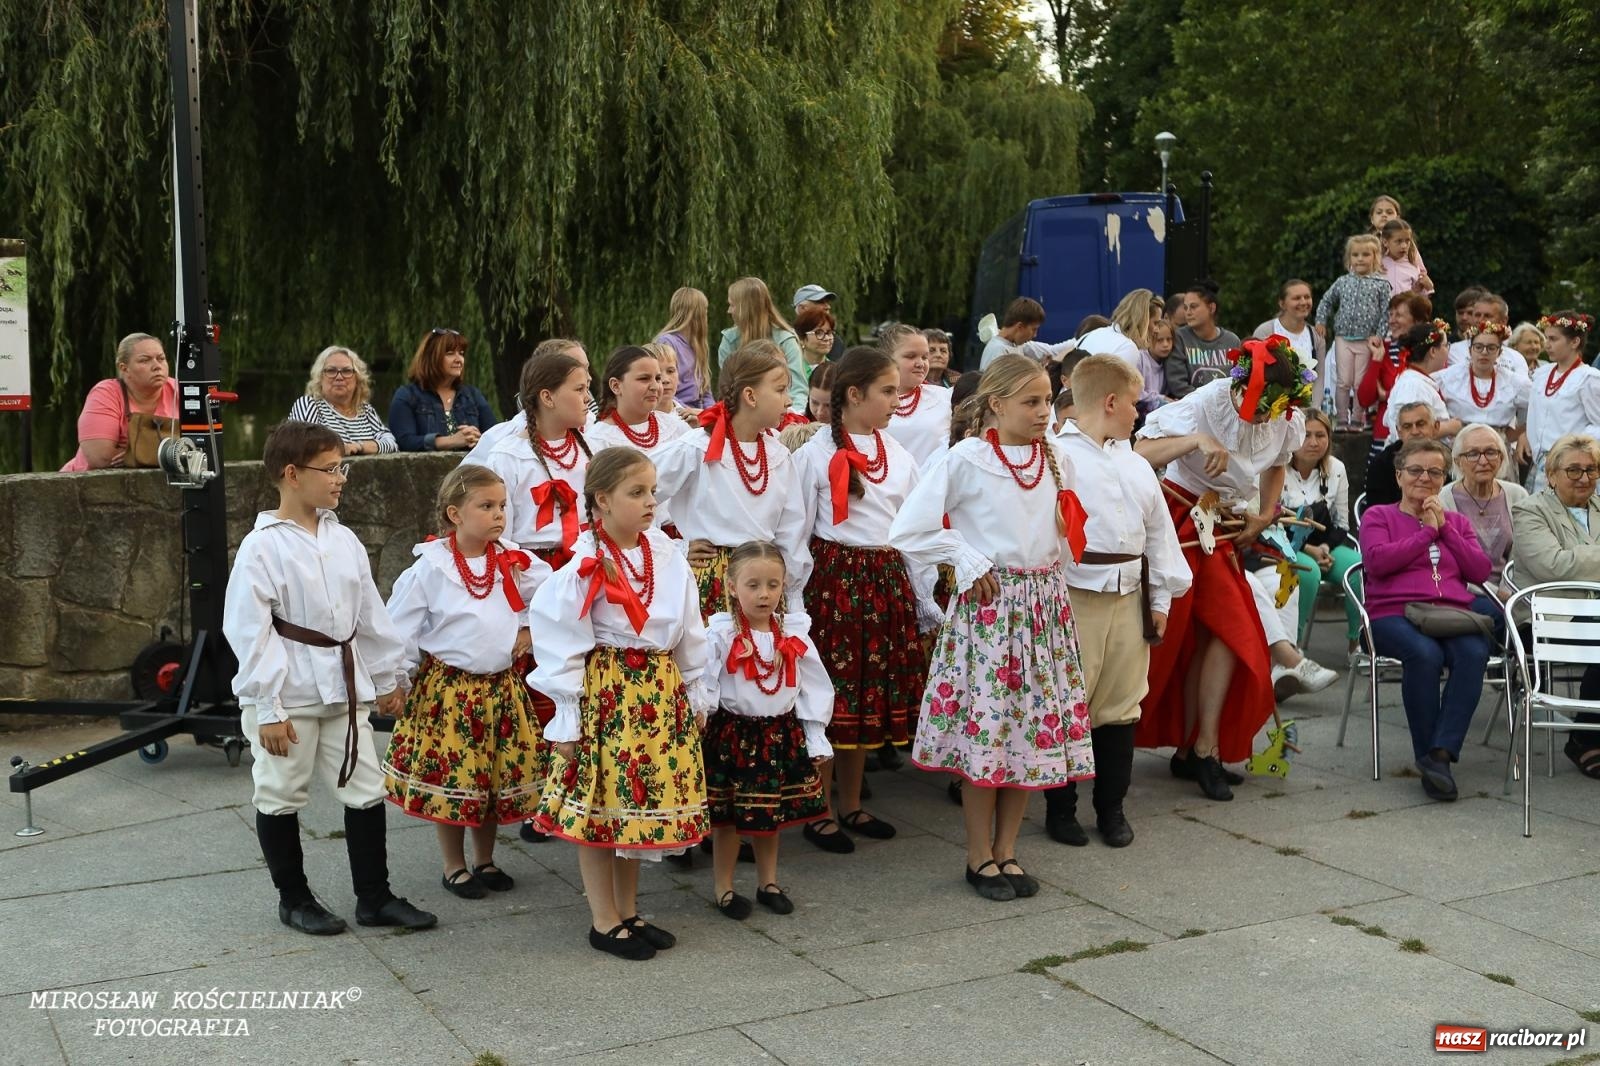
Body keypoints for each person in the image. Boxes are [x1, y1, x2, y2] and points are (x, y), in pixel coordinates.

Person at [891, 354, 1094, 902]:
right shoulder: (967, 458)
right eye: (1031, 402)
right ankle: (978, 855)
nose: (1043, 411)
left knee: (1028, 732)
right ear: (996, 403)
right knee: (990, 732)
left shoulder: (1057, 460)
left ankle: (1008, 850)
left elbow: (1062, 532)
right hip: (991, 612)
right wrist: (965, 556)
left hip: (1041, 610)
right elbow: (908, 528)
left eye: (1048, 400)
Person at [221, 420, 436, 936]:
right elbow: (248, 630)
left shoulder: (344, 540)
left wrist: (388, 676)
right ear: (292, 474)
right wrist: (267, 707)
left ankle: (375, 897)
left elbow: (370, 614)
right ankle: (293, 899)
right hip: (289, 691)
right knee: (280, 792)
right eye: (331, 469)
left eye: (344, 467)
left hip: (344, 685)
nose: (341, 479)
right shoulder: (262, 547)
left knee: (366, 788)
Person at [527, 447, 712, 960]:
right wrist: (568, 714)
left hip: (660, 687)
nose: (651, 501)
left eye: (652, 491)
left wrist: (695, 686)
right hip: (610, 691)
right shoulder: (586, 563)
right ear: (602, 500)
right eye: (637, 493)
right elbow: (561, 636)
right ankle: (602, 918)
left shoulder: (667, 555)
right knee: (603, 804)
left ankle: (628, 909)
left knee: (639, 802)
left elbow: (689, 626)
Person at [1133, 334, 1309, 801]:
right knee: (1201, 634)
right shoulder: (1207, 402)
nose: (1262, 418)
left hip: (1225, 525)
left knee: (1222, 635)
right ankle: (1194, 749)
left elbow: (1278, 467)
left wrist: (1266, 513)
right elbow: (1139, 452)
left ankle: (1200, 748)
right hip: (1181, 519)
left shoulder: (1288, 416)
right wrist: (1195, 439)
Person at [791, 347, 940, 852]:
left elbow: (914, 530)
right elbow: (794, 533)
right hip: (833, 584)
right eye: (887, 391)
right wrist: (794, 600)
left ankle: (851, 803)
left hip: (884, 583)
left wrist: (923, 600)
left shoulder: (898, 456)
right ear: (853, 395)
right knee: (825, 699)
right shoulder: (812, 455)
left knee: (861, 699)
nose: (896, 400)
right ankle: (818, 806)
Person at [382, 464, 551, 898]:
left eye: (502, 506)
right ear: (455, 514)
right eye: (486, 506)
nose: (499, 515)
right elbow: (401, 627)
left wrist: (529, 628)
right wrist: (397, 678)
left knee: (492, 778)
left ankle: (485, 859)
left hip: (501, 688)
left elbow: (552, 596)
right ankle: (453, 865)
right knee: (456, 782)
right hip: (450, 692)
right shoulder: (431, 569)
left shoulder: (513, 559)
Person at [1045, 356, 1191, 848]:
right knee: (1069, 702)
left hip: (1129, 594)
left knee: (1122, 706)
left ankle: (1111, 808)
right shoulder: (1056, 457)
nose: (1138, 412)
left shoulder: (1134, 464)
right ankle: (1060, 809)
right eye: (1134, 402)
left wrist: (1161, 600)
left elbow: (1158, 534)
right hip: (1074, 592)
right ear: (1110, 402)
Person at [1359, 437, 1497, 801]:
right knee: (1425, 654)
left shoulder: (1455, 522)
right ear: (1399, 475)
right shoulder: (1380, 516)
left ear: (1443, 478)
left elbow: (1480, 570)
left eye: (1435, 472)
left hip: (1449, 614)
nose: (1425, 478)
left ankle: (1438, 756)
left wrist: (1445, 530)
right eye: (1416, 470)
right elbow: (1377, 563)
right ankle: (1431, 756)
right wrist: (1426, 534)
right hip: (1392, 612)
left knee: (1473, 652)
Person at [703, 542, 834, 917]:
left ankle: (768, 882)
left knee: (770, 815)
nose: (764, 594)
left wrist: (814, 732)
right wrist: (702, 714)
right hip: (734, 736)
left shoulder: (791, 633)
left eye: (773, 585)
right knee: (729, 820)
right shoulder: (722, 634)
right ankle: (724, 888)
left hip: (779, 734)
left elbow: (814, 684)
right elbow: (706, 680)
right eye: (753, 585)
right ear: (732, 587)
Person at [653, 342, 809, 619]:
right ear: (750, 395)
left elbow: (791, 533)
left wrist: (792, 600)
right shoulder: (696, 448)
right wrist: (672, 548)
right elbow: (632, 497)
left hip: (764, 584)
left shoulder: (779, 456)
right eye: (780, 389)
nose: (789, 401)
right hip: (711, 580)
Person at [1510, 433, 1600, 779]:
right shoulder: (1531, 510)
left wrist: (1579, 560)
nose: (1585, 478)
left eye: (1591, 470)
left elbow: (1570, 560)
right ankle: (1584, 737)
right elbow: (1555, 566)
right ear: (1551, 474)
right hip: (1547, 621)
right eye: (1574, 470)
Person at [482, 348, 594, 573]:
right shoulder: (508, 457)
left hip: (588, 564)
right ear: (547, 397)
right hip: (531, 572)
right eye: (579, 389)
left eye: (587, 389)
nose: (588, 398)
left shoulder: (594, 447)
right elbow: (499, 533)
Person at [588, 345, 694, 533]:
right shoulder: (597, 440)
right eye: (644, 379)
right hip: (628, 539)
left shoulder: (677, 428)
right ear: (616, 385)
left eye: (658, 378)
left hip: (683, 535)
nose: (655, 386)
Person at [1282, 408, 1362, 654]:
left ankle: (1357, 641)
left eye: (1321, 435)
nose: (1314, 442)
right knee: (1308, 572)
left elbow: (1342, 524)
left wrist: (1325, 548)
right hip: (1284, 545)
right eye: (1306, 435)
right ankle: (1291, 645)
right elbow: (1270, 523)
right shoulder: (1276, 467)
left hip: (1325, 543)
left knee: (1358, 567)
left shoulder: (1336, 468)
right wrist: (1309, 550)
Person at [61, 332, 179, 471]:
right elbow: (100, 457)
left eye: (161, 358)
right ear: (124, 368)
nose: (157, 366)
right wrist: (168, 456)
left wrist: (135, 455)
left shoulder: (181, 390)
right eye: (144, 360)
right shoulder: (106, 393)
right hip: (85, 485)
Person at [463, 338, 586, 464]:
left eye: (586, 368)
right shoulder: (503, 443)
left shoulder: (592, 430)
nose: (588, 377)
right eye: (573, 366)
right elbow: (464, 480)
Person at [1438, 424, 1527, 593]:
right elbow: (1447, 562)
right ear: (1458, 461)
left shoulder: (1518, 496)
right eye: (1472, 454)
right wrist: (1493, 593)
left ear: (1501, 458)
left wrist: (1506, 590)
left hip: (1512, 591)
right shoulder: (1443, 500)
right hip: (1463, 591)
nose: (1483, 461)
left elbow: (1522, 555)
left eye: (1491, 452)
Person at [1313, 238, 1389, 428]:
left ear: (1375, 257)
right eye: (1355, 255)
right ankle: (1340, 419)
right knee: (1343, 381)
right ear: (1349, 258)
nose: (1360, 259)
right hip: (1343, 338)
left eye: (1365, 255)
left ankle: (1357, 418)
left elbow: (1387, 312)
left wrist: (1379, 334)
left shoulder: (1381, 284)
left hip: (1366, 340)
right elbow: (1326, 301)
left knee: (1359, 382)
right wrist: (1321, 320)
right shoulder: (1343, 281)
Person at [1520, 312, 1600, 493]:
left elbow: (1598, 424)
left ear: (1574, 342)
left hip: (1573, 466)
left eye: (1553, 339)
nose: (1546, 344)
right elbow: (1535, 417)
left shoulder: (1588, 378)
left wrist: (1571, 444)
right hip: (1543, 464)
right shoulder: (1542, 374)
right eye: (1546, 338)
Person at [1436, 321, 1530, 468]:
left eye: (1491, 348)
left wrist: (1515, 434)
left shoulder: (1514, 382)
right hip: (1461, 446)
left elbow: (1536, 408)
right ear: (1470, 350)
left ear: (1500, 352)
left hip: (1497, 448)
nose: (1484, 352)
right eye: (1479, 347)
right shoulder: (1449, 378)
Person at [388, 328, 495, 452]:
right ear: (431, 357)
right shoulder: (407, 395)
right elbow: (403, 440)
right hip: (425, 469)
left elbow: (495, 435)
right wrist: (450, 441)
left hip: (469, 469)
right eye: (450, 353)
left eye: (461, 353)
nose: (458, 359)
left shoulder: (472, 395)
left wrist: (477, 439)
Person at [1357, 293, 1434, 458]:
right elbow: (1365, 398)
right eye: (1390, 314)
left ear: (1418, 321)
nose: (1392, 320)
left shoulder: (1430, 353)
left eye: (1398, 315)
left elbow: (1427, 393)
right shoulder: (1381, 349)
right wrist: (1377, 359)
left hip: (1421, 438)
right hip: (1385, 436)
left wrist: (1387, 394)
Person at [288, 346, 397, 456]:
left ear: (357, 379)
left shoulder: (365, 410)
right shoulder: (309, 404)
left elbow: (391, 443)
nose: (339, 377)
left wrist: (360, 446)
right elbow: (299, 444)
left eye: (346, 371)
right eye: (331, 371)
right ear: (320, 378)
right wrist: (340, 448)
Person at [719, 277, 808, 412]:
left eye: (732, 305)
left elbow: (798, 389)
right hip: (742, 415)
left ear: (746, 308)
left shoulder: (785, 341)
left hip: (783, 415)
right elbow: (728, 388)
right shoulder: (729, 340)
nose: (729, 311)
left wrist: (793, 421)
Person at [881, 325, 955, 468]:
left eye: (924, 357)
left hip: (932, 487)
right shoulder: (870, 401)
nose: (920, 363)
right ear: (887, 358)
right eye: (911, 356)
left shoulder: (945, 398)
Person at [1382, 321, 1459, 440]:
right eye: (1445, 345)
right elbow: (1412, 433)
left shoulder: (1416, 381)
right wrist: (1450, 427)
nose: (1447, 350)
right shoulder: (1412, 386)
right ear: (1433, 351)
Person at [1365, 402, 1438, 508]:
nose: (1415, 431)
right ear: (1399, 432)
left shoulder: (1449, 458)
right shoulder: (1381, 465)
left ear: (1436, 427)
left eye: (1420, 424)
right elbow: (1378, 514)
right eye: (1407, 427)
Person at [1173, 280, 1243, 389]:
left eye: (1193, 306)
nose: (1188, 312)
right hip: (1191, 404)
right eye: (1185, 307)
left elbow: (1239, 382)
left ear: (1211, 308)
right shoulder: (1179, 338)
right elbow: (1178, 385)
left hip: (1224, 404)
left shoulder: (1233, 341)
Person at [655, 287, 714, 410]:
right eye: (705, 311)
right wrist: (689, 411)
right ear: (697, 314)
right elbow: (661, 386)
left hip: (697, 413)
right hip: (676, 411)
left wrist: (712, 413)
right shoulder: (667, 342)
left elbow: (705, 392)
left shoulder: (699, 346)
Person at [979, 298, 1046, 370]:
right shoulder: (997, 350)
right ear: (1020, 326)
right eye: (1034, 329)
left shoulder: (1015, 345)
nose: (1035, 335)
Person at [1378, 219, 1433, 296]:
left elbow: (1419, 298)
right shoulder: (1378, 265)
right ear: (1385, 242)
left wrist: (1428, 288)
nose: (1404, 246)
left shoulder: (1413, 266)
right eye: (1398, 241)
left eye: (1407, 241)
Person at [793, 284, 845, 362]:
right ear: (802, 308)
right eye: (820, 302)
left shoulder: (835, 342)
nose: (828, 307)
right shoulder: (784, 339)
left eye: (827, 302)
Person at [793, 306, 836, 374]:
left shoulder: (837, 372)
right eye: (819, 333)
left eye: (829, 332)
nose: (827, 338)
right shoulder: (792, 371)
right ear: (801, 338)